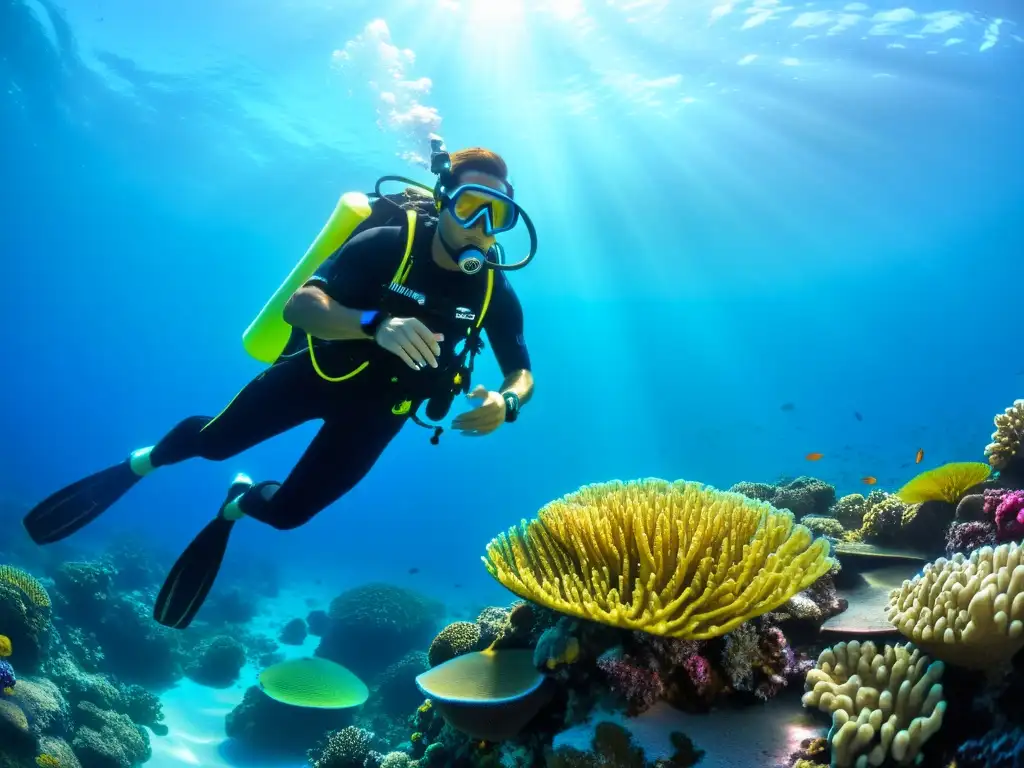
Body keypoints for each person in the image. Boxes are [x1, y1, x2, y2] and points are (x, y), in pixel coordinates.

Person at [23, 140, 537, 630]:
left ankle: (238, 504)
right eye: (471, 206)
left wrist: (507, 400)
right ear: (445, 198)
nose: (481, 228)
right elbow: (302, 306)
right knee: (214, 443)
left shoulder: (492, 286)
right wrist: (377, 324)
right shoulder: (390, 241)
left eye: (498, 216)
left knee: (289, 514)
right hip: (313, 376)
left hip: (381, 412)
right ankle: (147, 460)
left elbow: (521, 368)